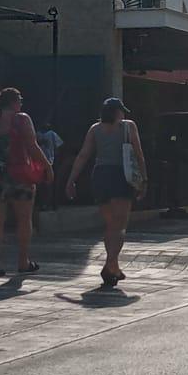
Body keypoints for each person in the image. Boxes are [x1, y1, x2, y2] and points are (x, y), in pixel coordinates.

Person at [66, 97, 147, 288]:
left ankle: (115, 267)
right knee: (119, 226)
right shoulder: (129, 126)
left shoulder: (95, 129)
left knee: (110, 225)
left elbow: (84, 155)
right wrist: (144, 178)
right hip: (121, 176)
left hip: (100, 176)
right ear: (118, 112)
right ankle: (109, 265)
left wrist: (71, 180)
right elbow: (138, 153)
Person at [0, 87, 53, 279]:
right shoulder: (22, 119)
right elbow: (32, 146)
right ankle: (23, 261)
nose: (21, 103)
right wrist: (47, 166)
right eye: (20, 100)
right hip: (19, 175)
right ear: (13, 101)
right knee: (24, 219)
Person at [35, 120, 64, 210]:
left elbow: (59, 147)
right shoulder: (37, 135)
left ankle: (50, 204)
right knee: (43, 184)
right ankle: (44, 204)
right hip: (42, 162)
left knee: (49, 184)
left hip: (49, 161)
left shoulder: (51, 134)